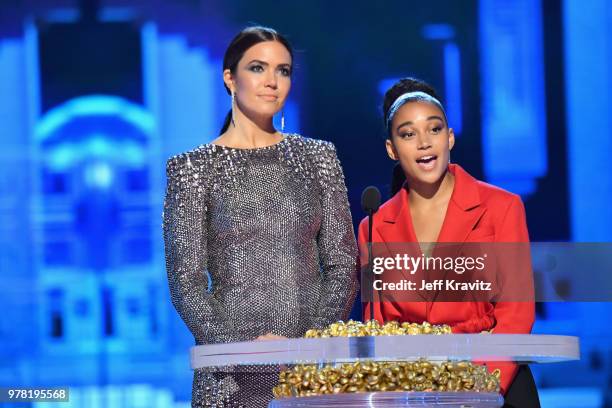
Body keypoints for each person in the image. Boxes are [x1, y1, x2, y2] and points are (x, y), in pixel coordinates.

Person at [163, 26, 358, 407]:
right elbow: (185, 282)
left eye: (283, 71)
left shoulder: (318, 158)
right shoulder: (192, 168)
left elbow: (342, 263)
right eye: (258, 68)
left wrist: (307, 346)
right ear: (229, 78)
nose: (272, 82)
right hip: (227, 377)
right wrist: (239, 351)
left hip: (308, 373)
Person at [359, 78, 539, 407]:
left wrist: (477, 388)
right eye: (408, 134)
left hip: (496, 384)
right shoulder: (375, 227)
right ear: (391, 149)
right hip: (413, 392)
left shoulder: (502, 207)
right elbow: (379, 330)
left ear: (450, 137)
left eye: (434, 129)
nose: (424, 143)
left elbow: (516, 314)